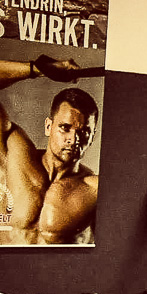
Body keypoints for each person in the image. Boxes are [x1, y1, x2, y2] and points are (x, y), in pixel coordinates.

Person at [0, 57, 99, 244]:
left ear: (93, 136)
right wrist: (38, 69)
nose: (73, 139)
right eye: (65, 127)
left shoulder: (94, 190)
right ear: (48, 126)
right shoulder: (13, 154)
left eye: (84, 132)